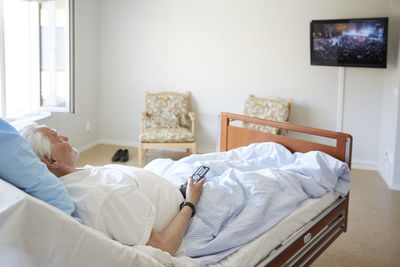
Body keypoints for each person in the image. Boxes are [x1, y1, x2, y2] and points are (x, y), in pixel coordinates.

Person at [23, 125, 205, 257]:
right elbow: (163, 247)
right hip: (187, 206)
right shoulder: (104, 197)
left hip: (171, 184)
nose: (67, 139)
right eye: (59, 139)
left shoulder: (78, 176)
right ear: (51, 161)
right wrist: (190, 201)